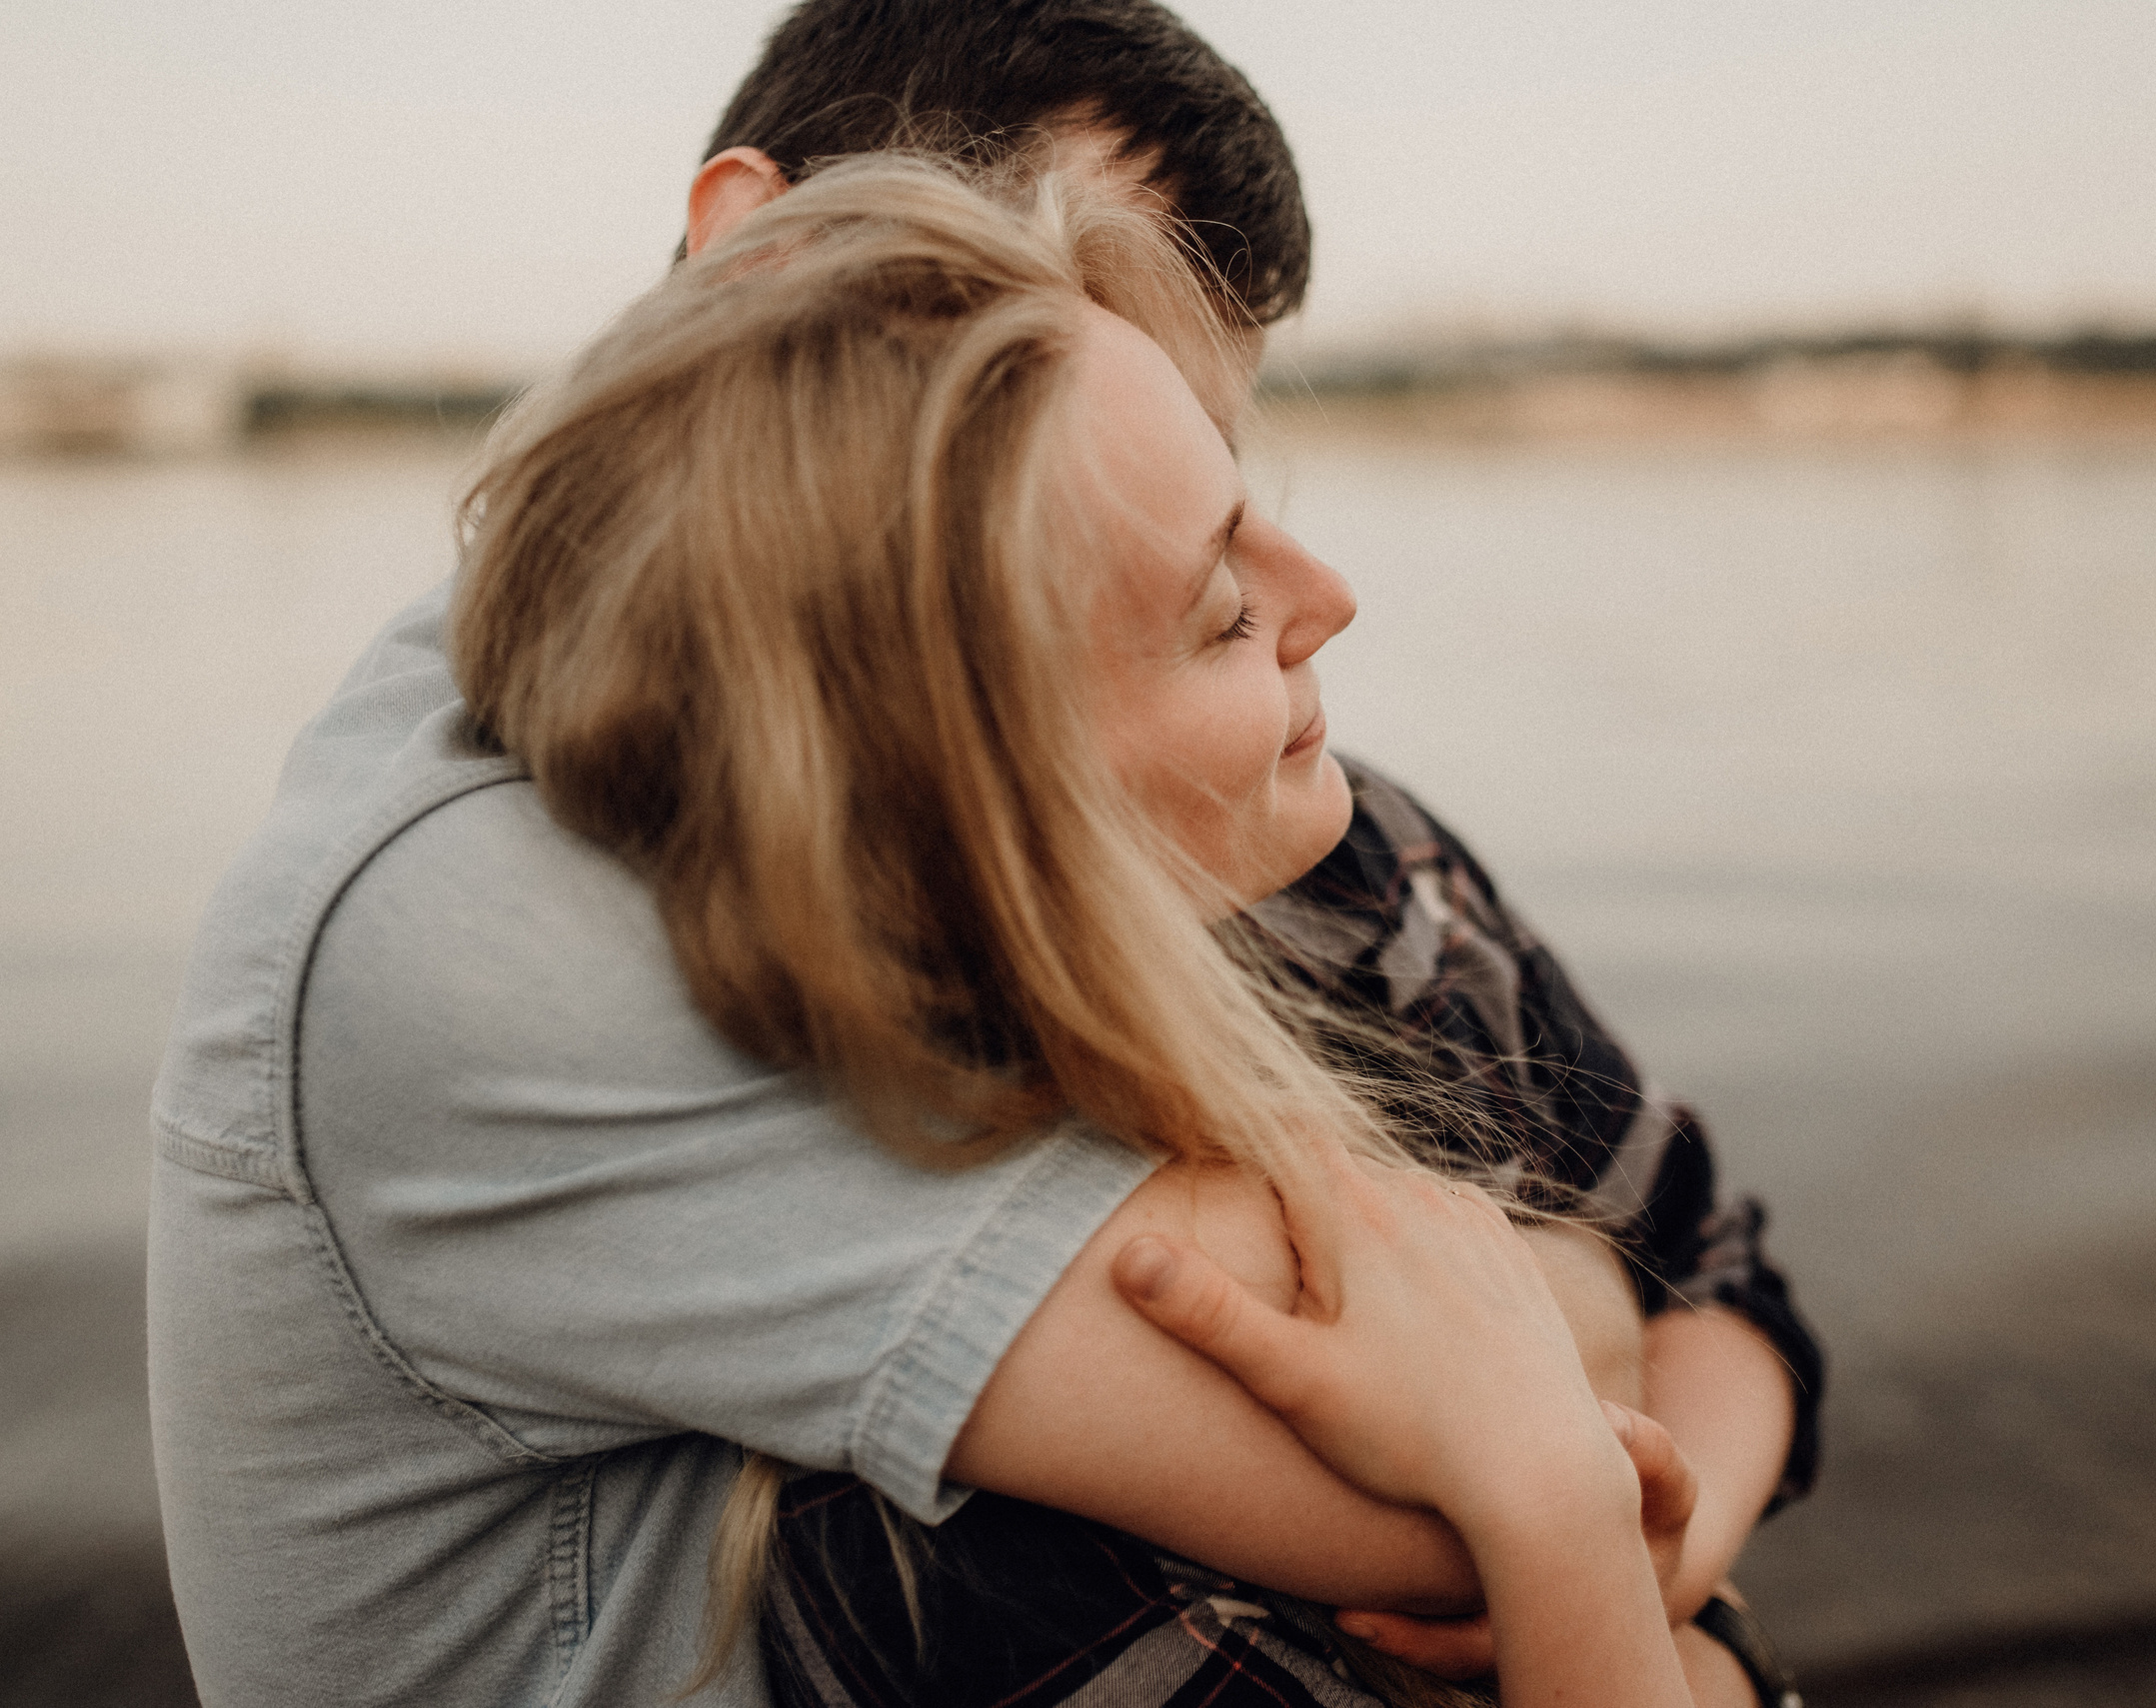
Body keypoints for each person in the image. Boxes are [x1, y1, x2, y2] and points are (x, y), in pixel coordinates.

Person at [147, 6, 1818, 1706]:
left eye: (1213, 451)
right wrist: (1612, 1546)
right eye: (1035, 348)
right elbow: (1465, 1479)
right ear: (760, 262)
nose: (1311, 600)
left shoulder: (1316, 822)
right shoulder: (503, 910)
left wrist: (1669, 1579)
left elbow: (1695, 1287)